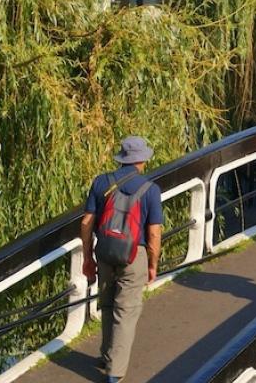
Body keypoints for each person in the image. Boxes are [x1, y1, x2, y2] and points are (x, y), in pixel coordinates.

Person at [81, 136, 164, 383]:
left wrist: (88, 257)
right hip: (132, 255)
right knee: (125, 311)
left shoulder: (101, 182)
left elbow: (87, 223)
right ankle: (114, 373)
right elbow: (153, 233)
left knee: (106, 303)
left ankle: (107, 354)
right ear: (142, 160)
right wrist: (152, 264)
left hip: (105, 250)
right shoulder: (150, 190)